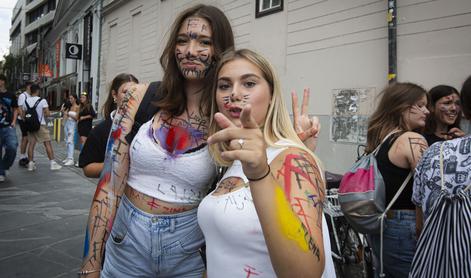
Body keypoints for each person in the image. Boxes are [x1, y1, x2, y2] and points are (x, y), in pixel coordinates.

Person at [80, 5, 235, 277]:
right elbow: (109, 186)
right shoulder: (139, 98)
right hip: (126, 241)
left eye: (204, 42)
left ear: (219, 50)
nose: (190, 50)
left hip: (188, 249)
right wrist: (91, 262)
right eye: (183, 40)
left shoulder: (225, 114)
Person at [199, 49, 335, 277]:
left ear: (271, 94)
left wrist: (260, 173)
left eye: (249, 83)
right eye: (224, 86)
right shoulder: (237, 160)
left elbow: (304, 273)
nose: (234, 93)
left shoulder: (293, 158)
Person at [364, 82, 429, 277]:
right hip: (407, 224)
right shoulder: (412, 140)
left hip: (382, 223)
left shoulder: (382, 140)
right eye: (420, 105)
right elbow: (424, 190)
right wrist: (423, 227)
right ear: (402, 106)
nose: (427, 111)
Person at [410, 76, 471, 277]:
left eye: (457, 103)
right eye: (447, 102)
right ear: (432, 108)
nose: (453, 108)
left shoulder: (447, 145)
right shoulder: (425, 144)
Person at [79, 73, 138, 177]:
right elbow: (87, 168)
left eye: (135, 92)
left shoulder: (148, 125)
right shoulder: (100, 130)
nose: (131, 96)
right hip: (112, 190)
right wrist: (115, 165)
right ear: (114, 95)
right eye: (125, 92)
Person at [23, 84, 62, 171]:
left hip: (30, 125)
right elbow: (47, 114)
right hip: (40, 125)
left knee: (31, 145)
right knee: (47, 143)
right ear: (37, 91)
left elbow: (23, 114)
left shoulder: (26, 101)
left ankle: (30, 164)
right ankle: (53, 163)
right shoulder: (42, 100)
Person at [0, 74, 19, 182]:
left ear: (3, 81)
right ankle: (1, 172)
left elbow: (15, 109)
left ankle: (5, 166)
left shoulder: (10, 95)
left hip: (8, 126)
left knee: (12, 147)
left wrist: (14, 121)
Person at [17, 81, 32, 167]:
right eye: (31, 86)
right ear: (28, 86)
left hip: (28, 119)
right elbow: (19, 108)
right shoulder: (23, 95)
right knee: (25, 138)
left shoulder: (31, 95)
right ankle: (22, 156)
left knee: (27, 138)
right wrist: (23, 119)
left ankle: (24, 155)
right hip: (23, 119)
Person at [62, 93, 79, 166]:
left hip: (72, 124)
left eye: (72, 98)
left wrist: (69, 114)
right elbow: (65, 115)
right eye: (69, 98)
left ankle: (71, 158)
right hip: (67, 123)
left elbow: (76, 118)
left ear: (75, 99)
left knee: (70, 141)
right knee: (67, 140)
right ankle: (68, 157)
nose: (70, 100)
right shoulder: (69, 106)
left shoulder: (77, 107)